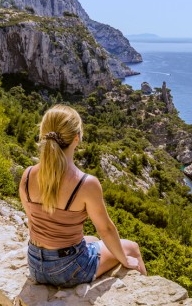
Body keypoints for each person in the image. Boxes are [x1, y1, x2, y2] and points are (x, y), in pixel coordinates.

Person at [19, 104, 147, 287]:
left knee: (92, 240)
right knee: (132, 248)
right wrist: (125, 261)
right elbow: (107, 230)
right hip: (68, 269)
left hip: (36, 265)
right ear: (76, 138)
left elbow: (33, 221)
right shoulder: (85, 184)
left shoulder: (27, 174)